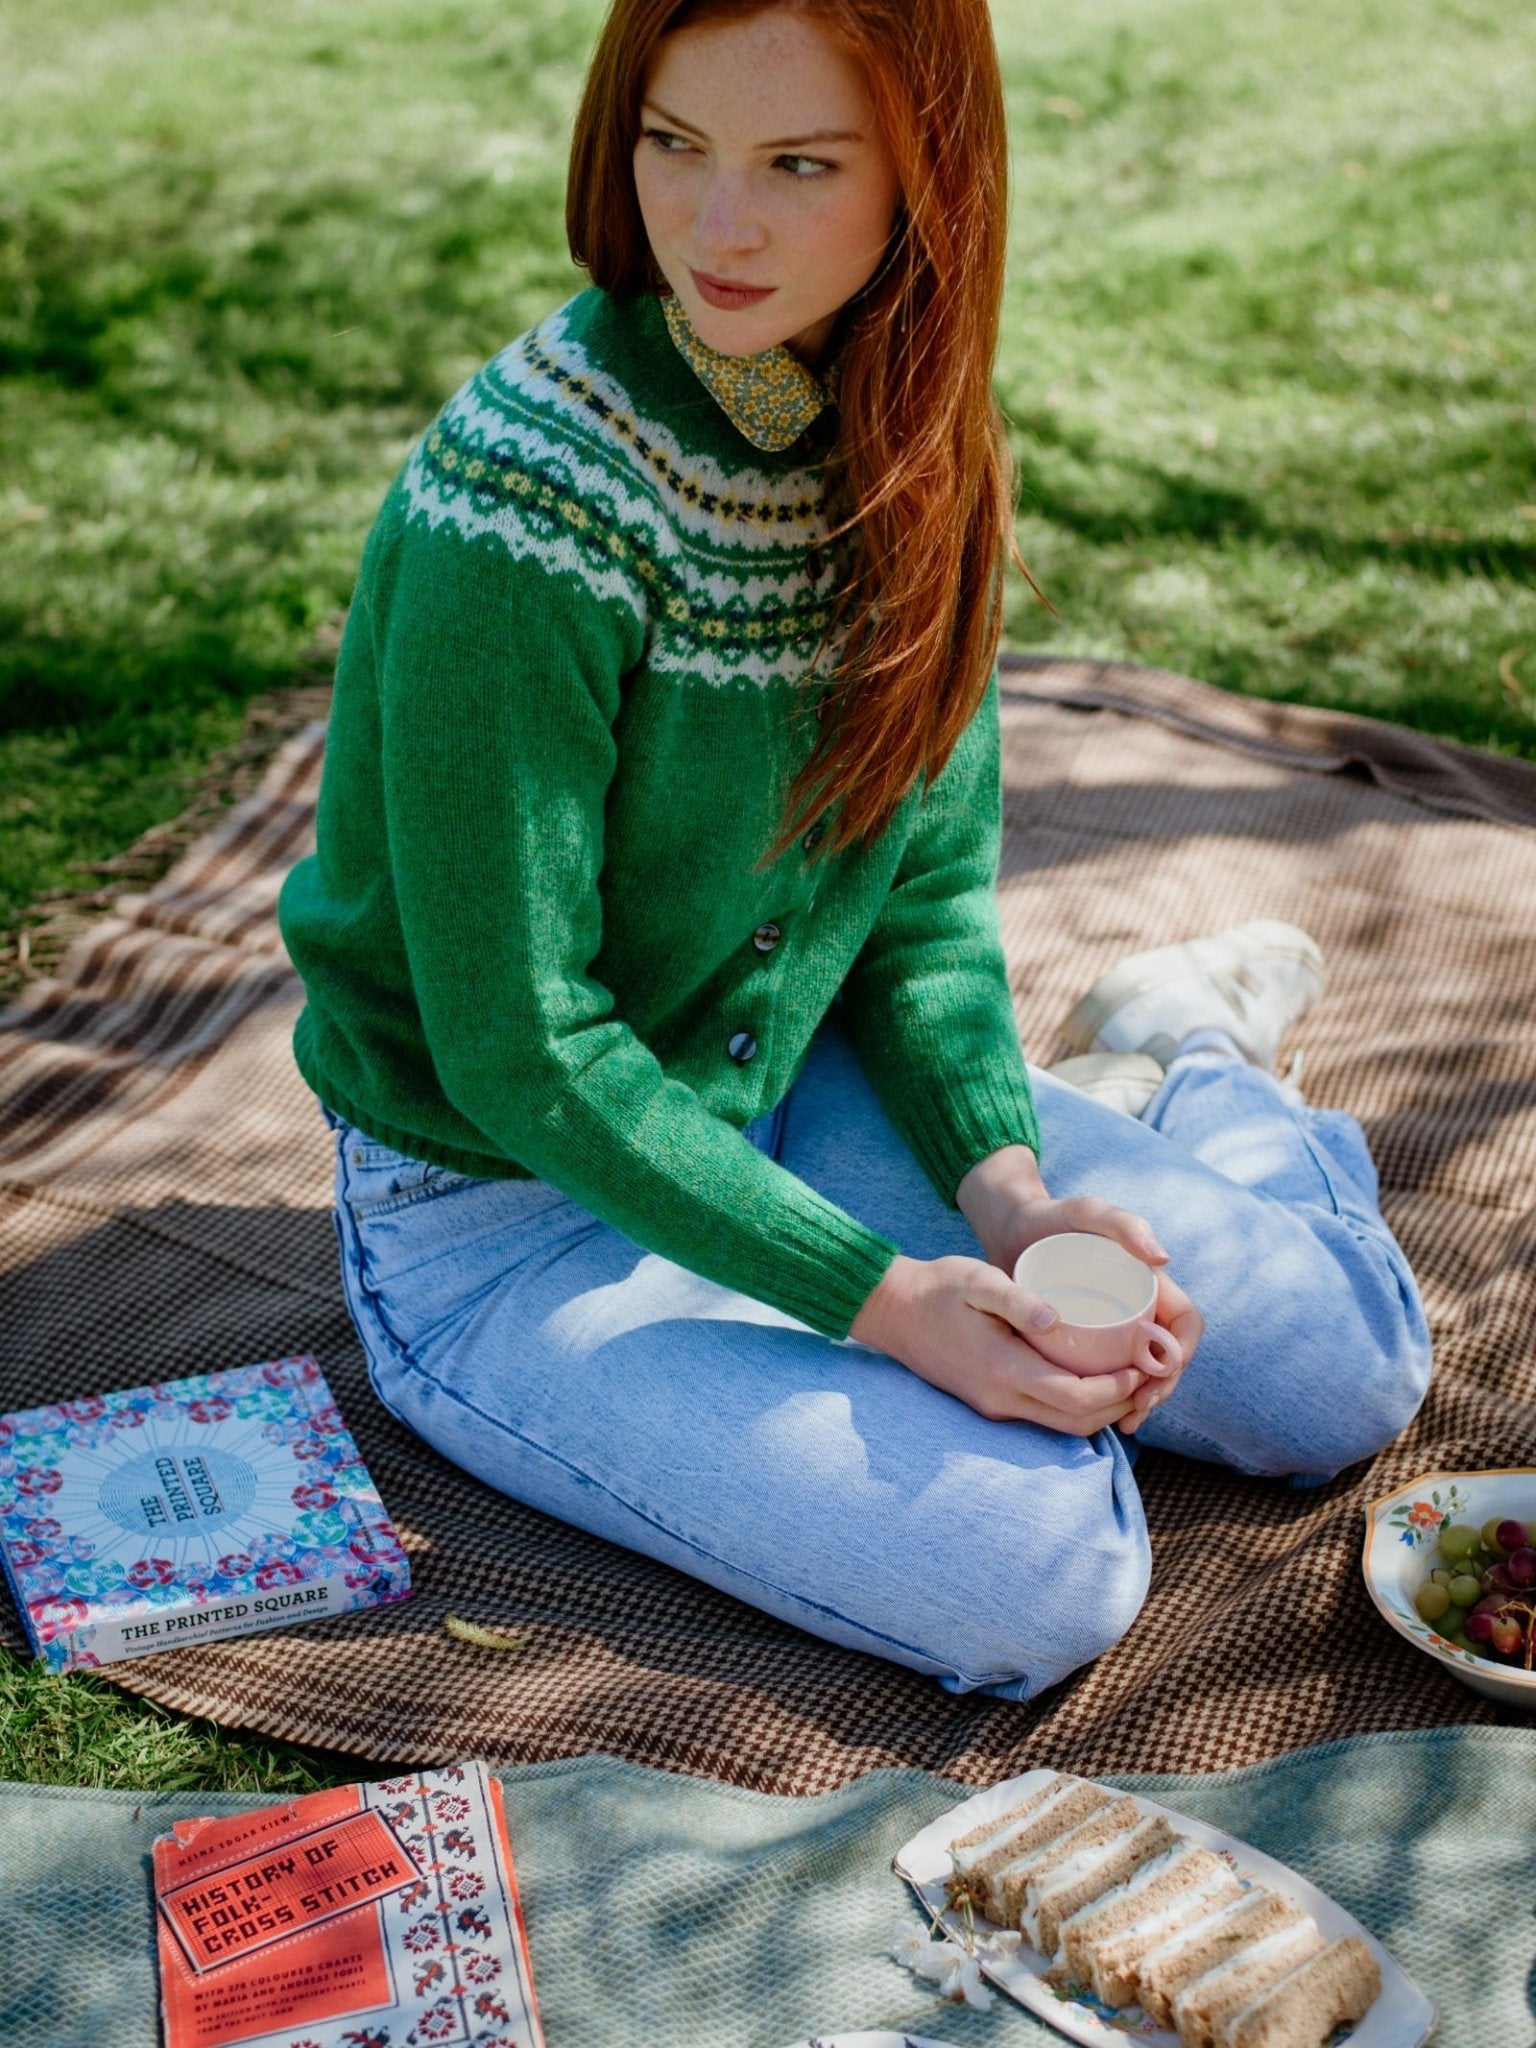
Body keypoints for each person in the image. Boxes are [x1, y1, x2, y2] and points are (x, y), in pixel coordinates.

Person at [278, 0, 1431, 1701]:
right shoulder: (520, 513)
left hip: (797, 1091)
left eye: (798, 165)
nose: (718, 226)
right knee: (1044, 1579)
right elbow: (518, 1043)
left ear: (922, 179)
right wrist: (889, 1303)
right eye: (675, 146)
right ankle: (1156, 1078)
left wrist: (1014, 1200)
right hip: (501, 1210)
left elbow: (924, 917)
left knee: (1347, 1383)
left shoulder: (911, 437)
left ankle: (1187, 1060)